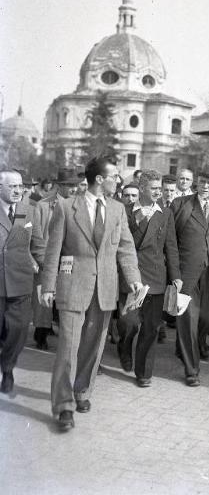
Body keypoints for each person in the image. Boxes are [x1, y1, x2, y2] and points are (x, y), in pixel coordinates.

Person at [40, 157, 142, 431]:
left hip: (105, 288)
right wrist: (48, 286)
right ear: (99, 179)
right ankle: (63, 406)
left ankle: (82, 391)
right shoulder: (65, 208)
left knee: (93, 345)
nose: (118, 181)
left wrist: (133, 280)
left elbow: (125, 248)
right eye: (114, 176)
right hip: (73, 285)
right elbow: (53, 251)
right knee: (67, 348)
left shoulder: (119, 210)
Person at [171, 164, 209, 386]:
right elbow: (171, 242)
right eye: (203, 181)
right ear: (197, 181)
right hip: (186, 274)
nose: (206, 186)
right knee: (188, 320)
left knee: (205, 318)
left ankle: (187, 347)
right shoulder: (180, 205)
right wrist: (175, 271)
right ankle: (191, 369)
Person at [117, 170, 181, 386]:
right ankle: (124, 348)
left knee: (151, 327)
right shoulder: (124, 212)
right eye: (154, 188)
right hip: (130, 275)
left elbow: (171, 246)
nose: (158, 192)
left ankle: (143, 373)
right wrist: (140, 220)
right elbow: (124, 246)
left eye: (160, 188)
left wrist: (176, 276)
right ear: (142, 188)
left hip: (155, 278)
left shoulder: (166, 213)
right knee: (129, 323)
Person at [0, 169, 44, 393]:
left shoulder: (29, 212)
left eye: (20, 187)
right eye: (12, 186)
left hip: (20, 281)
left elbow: (38, 246)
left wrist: (47, 275)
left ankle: (7, 368)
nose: (18, 191)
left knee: (17, 331)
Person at [32, 167, 81, 350]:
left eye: (75, 185)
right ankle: (41, 334)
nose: (73, 189)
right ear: (59, 185)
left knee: (68, 302)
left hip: (71, 262)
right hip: (48, 259)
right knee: (44, 300)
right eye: (69, 185)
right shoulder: (43, 206)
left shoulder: (80, 205)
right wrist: (45, 261)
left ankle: (66, 336)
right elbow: (37, 237)